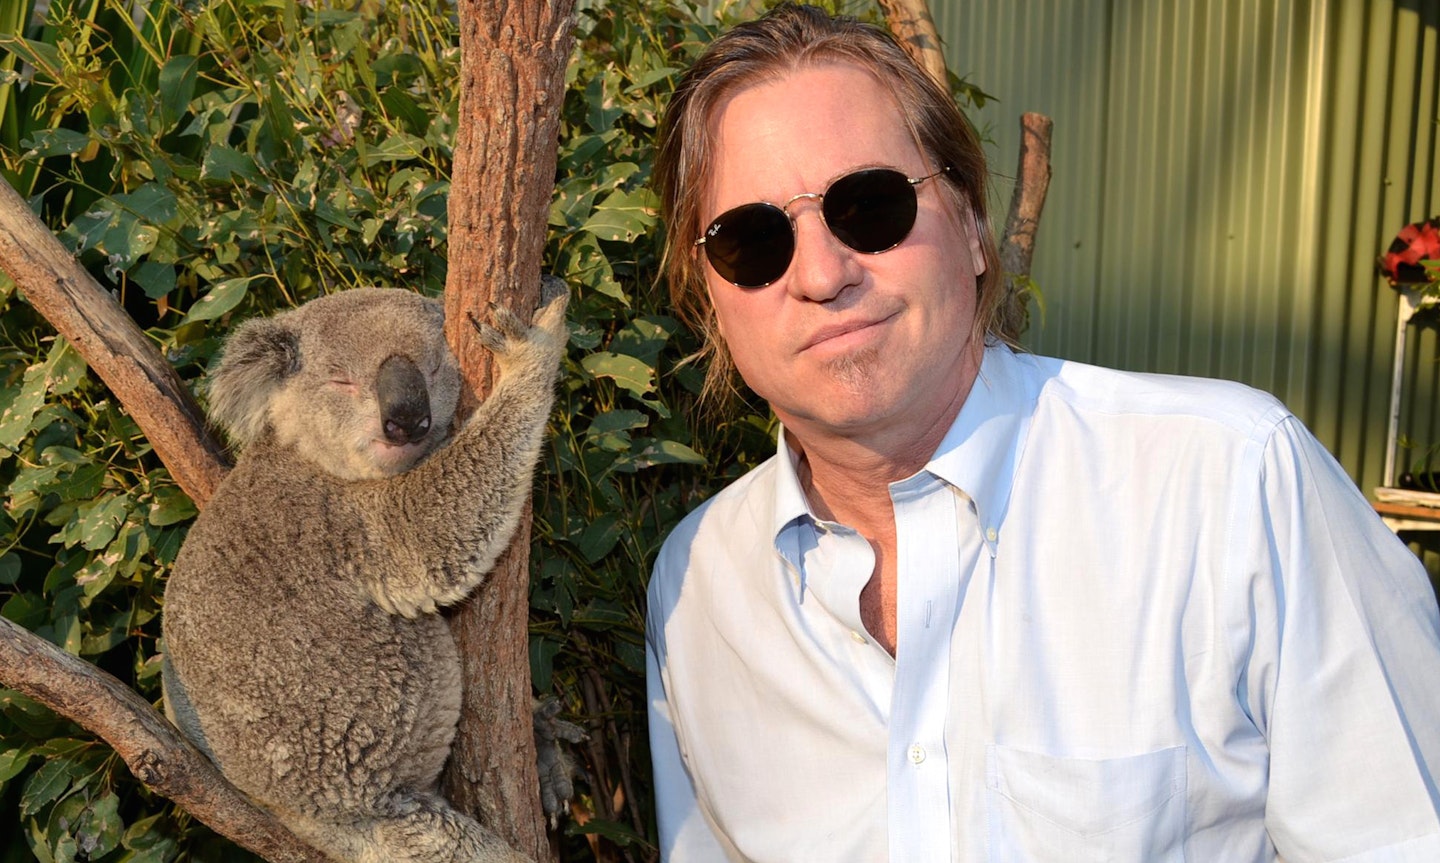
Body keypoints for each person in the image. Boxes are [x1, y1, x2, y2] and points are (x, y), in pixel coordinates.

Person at [644, 4, 1440, 862]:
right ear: (711, 300)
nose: (823, 273)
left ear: (974, 226)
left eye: (868, 206)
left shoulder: (1232, 487)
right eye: (753, 239)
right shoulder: (698, 591)